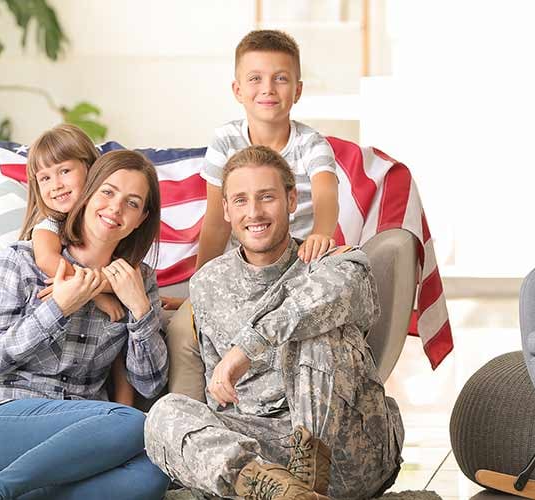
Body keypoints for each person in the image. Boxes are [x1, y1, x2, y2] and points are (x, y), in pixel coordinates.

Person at [144, 146, 404, 500]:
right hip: (263, 454)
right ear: (226, 209)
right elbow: (218, 395)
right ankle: (274, 491)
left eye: (267, 197)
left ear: (291, 199)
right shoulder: (207, 283)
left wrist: (244, 350)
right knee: (164, 414)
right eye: (240, 200)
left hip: (348, 452)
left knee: (314, 329)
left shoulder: (336, 264)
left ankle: (303, 482)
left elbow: (310, 308)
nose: (254, 212)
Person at [0, 150, 170, 500]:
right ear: (89, 193)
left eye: (132, 202)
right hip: (4, 418)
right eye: (108, 192)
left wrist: (140, 311)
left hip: (84, 429)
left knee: (153, 475)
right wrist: (59, 307)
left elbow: (150, 384)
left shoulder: (138, 281)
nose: (115, 209)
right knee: (133, 423)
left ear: (141, 219)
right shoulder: (20, 260)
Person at [163, 30, 340, 401]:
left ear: (298, 89)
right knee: (183, 329)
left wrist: (322, 234)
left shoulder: (311, 144)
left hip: (295, 264)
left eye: (281, 78)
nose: (268, 89)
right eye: (255, 79)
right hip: (239, 270)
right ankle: (192, 411)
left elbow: (326, 192)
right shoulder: (226, 140)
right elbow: (214, 222)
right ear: (238, 90)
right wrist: (200, 289)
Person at [20, 124, 134, 406]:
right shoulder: (49, 225)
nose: (55, 184)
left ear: (92, 169)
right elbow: (48, 260)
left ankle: (126, 417)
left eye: (64, 171)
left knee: (119, 345)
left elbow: (131, 283)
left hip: (98, 354)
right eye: (44, 178)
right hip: (42, 367)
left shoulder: (110, 225)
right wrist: (97, 295)